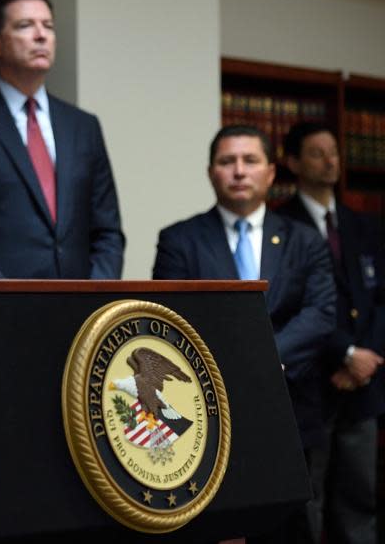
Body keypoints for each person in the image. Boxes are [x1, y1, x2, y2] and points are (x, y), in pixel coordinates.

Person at [152, 124, 336, 542]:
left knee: (296, 528)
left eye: (250, 161)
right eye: (226, 161)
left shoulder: (305, 240)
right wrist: (232, 368)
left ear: (271, 173)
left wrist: (263, 360)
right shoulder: (179, 240)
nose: (238, 171)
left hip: (293, 410)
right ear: (210, 172)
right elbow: (173, 320)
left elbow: (322, 314)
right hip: (210, 413)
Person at [0, 0, 125, 279]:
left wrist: (97, 291)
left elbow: (107, 230)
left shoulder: (83, 126)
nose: (41, 35)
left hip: (83, 308)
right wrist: (1, 293)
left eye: (48, 26)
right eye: (25, 26)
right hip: (1, 306)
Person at [276, 121, 385, 544]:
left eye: (334, 151)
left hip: (364, 381)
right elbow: (294, 305)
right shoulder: (281, 224)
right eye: (318, 152)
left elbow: (379, 299)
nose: (330, 160)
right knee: (309, 497)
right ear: (292, 162)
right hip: (313, 378)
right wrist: (344, 353)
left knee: (360, 495)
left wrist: (367, 355)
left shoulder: (363, 224)